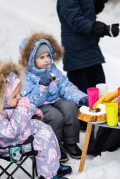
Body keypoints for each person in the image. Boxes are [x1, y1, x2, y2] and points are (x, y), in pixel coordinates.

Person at [0, 60, 72, 179]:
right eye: (15, 95)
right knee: (43, 142)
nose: (19, 97)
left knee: (47, 130)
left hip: (22, 134)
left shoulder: (9, 103)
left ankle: (53, 165)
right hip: (10, 146)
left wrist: (32, 109)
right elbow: (10, 132)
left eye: (18, 94)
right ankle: (48, 175)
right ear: (1, 97)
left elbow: (22, 107)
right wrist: (22, 110)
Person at [49, 0, 120, 93]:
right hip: (77, 55)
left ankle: (100, 115)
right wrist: (104, 29)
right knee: (82, 95)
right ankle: (81, 116)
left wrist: (99, 2)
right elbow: (77, 21)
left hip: (90, 50)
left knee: (100, 90)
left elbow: (87, 13)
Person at [19, 31, 88, 162]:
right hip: (39, 106)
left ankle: (70, 142)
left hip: (55, 99)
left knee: (70, 107)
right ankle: (55, 146)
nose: (47, 60)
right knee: (54, 116)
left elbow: (65, 85)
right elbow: (31, 101)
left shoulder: (52, 69)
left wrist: (81, 97)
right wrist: (42, 85)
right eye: (41, 57)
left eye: (48, 56)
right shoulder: (26, 75)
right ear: (31, 59)